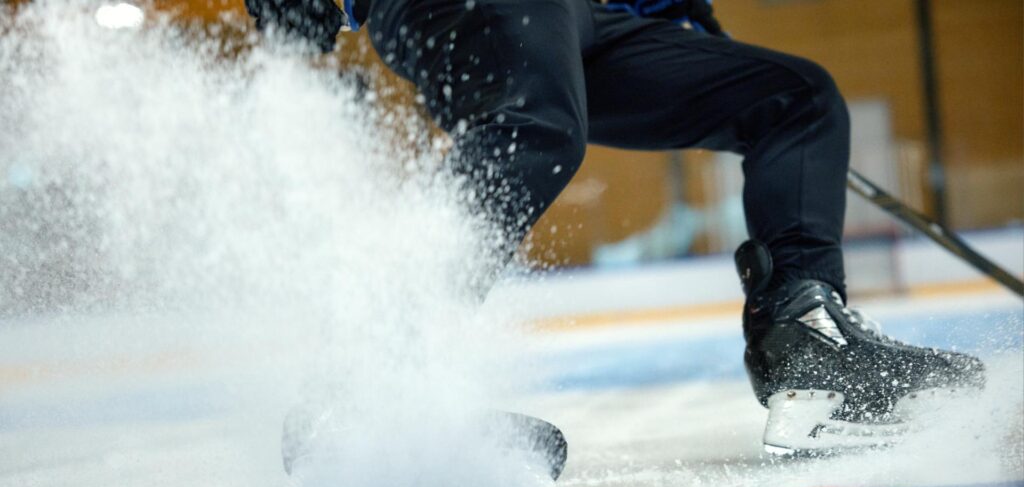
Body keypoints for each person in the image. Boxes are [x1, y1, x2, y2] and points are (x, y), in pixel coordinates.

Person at [244, 0, 984, 459]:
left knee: (795, 100)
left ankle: (808, 350)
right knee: (533, 129)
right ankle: (362, 390)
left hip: (586, 14)